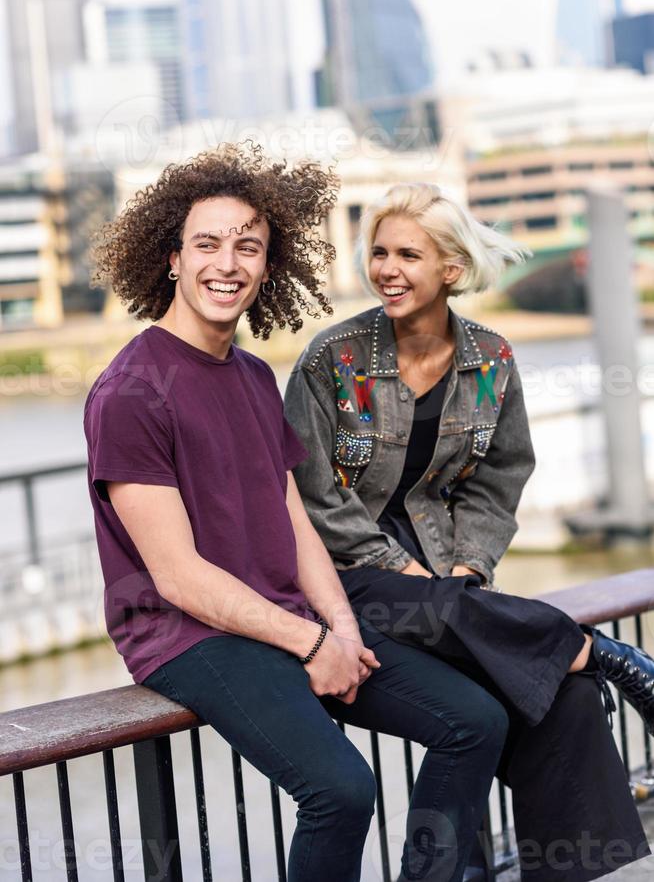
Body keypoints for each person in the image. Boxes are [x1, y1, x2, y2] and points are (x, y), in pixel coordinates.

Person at [84, 145, 518, 882]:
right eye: (208, 245)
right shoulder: (131, 390)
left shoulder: (253, 375)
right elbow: (180, 577)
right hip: (187, 635)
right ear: (171, 259)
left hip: (284, 615)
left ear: (267, 264)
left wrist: (341, 629)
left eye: (248, 246)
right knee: (342, 790)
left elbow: (293, 523)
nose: (229, 263)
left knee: (474, 723)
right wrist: (314, 646)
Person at [284, 181, 653, 881]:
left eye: (408, 255)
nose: (387, 268)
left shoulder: (487, 362)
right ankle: (591, 649)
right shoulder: (340, 360)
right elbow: (311, 493)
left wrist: (468, 569)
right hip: (346, 583)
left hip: (452, 591)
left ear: (450, 269)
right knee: (512, 657)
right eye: (379, 253)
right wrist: (399, 567)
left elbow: (498, 477)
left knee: (569, 703)